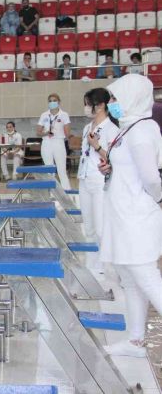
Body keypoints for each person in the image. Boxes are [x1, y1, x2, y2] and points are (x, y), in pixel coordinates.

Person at [98, 74, 162, 358]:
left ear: (133, 98)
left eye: (115, 99)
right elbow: (131, 169)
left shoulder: (141, 130)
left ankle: (136, 339)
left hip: (136, 218)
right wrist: (110, 169)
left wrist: (159, 199)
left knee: (146, 277)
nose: (111, 104)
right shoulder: (128, 128)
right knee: (130, 279)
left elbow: (151, 176)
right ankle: (136, 341)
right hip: (123, 216)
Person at [77, 88, 120, 274]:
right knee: (89, 227)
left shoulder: (113, 129)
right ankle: (92, 265)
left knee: (102, 228)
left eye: (89, 104)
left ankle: (108, 267)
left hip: (100, 181)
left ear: (101, 105)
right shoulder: (88, 128)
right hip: (84, 179)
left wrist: (97, 146)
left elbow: (115, 158)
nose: (86, 108)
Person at [36, 93, 71, 189]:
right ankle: (51, 192)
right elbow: (38, 132)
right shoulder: (44, 115)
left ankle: (67, 192)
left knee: (61, 170)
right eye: (50, 101)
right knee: (49, 170)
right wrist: (46, 133)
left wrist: (71, 137)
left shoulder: (64, 115)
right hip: (47, 143)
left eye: (54, 100)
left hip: (59, 142)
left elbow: (68, 132)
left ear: (59, 102)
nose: (52, 102)